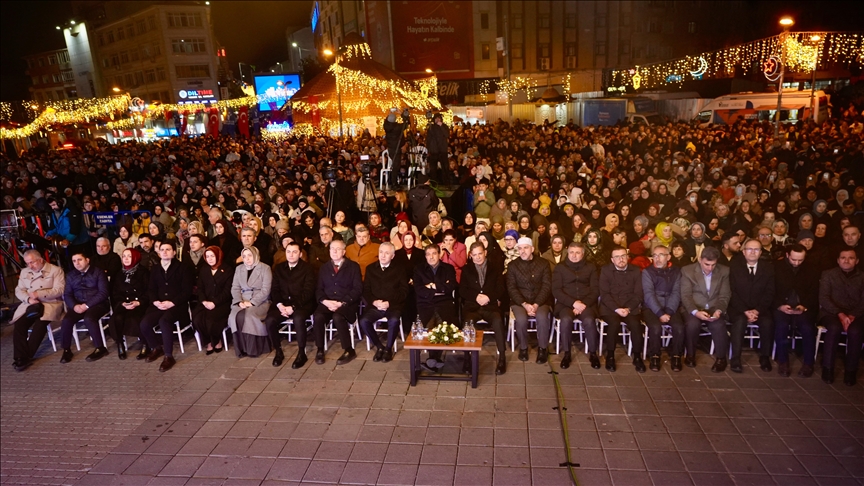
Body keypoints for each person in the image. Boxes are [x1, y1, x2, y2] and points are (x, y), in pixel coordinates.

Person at [139, 242, 194, 372]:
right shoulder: (155, 268)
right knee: (144, 324)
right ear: (158, 253)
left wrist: (172, 302)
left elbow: (187, 291)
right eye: (162, 250)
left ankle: (168, 356)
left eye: (168, 249)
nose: (164, 252)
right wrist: (155, 302)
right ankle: (156, 347)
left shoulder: (183, 268)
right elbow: (151, 289)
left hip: (177, 305)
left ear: (174, 252)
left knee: (164, 321)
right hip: (159, 304)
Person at [265, 242, 318, 368]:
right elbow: (275, 290)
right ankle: (278, 351)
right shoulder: (279, 268)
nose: (291, 254)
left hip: (302, 304)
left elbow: (308, 292)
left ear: (300, 254)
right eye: (288, 251)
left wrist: (293, 307)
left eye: (295, 252)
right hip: (283, 304)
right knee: (270, 320)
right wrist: (279, 305)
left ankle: (301, 353)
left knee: (298, 318)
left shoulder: (308, 269)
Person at [11, 250, 65, 371]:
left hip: (50, 303)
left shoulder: (55, 270)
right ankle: (20, 357)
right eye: (27, 263)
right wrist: (28, 299)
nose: (30, 266)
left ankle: (25, 356)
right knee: (19, 324)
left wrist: (38, 294)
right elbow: (19, 290)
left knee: (40, 324)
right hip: (30, 303)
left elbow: (59, 290)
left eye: (32, 262)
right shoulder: (25, 272)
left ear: (40, 260)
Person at [728, 238, 776, 373]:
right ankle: (735, 358)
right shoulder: (734, 267)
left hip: (760, 308)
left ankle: (765, 357)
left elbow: (770, 292)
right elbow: (731, 291)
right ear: (743, 252)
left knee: (767, 322)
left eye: (756, 249)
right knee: (739, 321)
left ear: (761, 252)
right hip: (738, 307)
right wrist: (744, 310)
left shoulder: (768, 268)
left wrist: (757, 310)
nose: (753, 252)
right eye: (749, 249)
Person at [680, 246, 731, 371]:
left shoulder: (724, 271)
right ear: (700, 260)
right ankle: (690, 355)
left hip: (714, 308)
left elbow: (725, 295)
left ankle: (721, 358)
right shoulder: (688, 271)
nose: (710, 268)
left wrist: (718, 310)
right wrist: (696, 312)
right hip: (694, 307)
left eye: (713, 265)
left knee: (719, 326)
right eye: (707, 264)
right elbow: (686, 295)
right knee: (692, 324)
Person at [460, 242, 508, 374]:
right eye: (474, 255)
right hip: (472, 307)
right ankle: (467, 359)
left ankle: (502, 358)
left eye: (480, 253)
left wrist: (488, 297)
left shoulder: (495, 268)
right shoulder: (467, 269)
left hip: (490, 306)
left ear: (485, 252)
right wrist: (476, 296)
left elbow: (500, 288)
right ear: (471, 255)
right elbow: (462, 290)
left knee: (498, 321)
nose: (478, 257)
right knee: (467, 323)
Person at [313, 239, 363, 365]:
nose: (334, 251)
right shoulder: (324, 268)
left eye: (338, 249)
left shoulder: (353, 267)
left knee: (338, 316)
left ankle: (348, 349)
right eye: (332, 249)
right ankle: (320, 349)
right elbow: (318, 289)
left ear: (344, 251)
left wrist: (342, 303)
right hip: (328, 302)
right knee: (318, 316)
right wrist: (325, 301)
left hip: (346, 304)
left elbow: (357, 289)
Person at [772, 244, 820, 377]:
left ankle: (808, 363)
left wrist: (804, 306)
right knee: (781, 326)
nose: (797, 263)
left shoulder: (811, 269)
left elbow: (814, 292)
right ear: (787, 255)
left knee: (808, 328)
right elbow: (770, 291)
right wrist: (780, 305)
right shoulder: (776, 267)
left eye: (800, 260)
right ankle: (783, 362)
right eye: (794, 260)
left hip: (802, 307)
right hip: (782, 306)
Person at [818, 249, 864, 386]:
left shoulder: (862, 277)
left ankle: (851, 370)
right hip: (831, 313)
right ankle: (828, 368)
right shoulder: (828, 275)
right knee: (834, 328)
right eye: (843, 257)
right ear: (838, 260)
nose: (846, 260)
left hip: (856, 313)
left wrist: (852, 315)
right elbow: (824, 298)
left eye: (850, 258)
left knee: (855, 331)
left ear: (856, 261)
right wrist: (841, 314)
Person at [552, 242, 600, 369]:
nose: (574, 255)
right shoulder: (560, 268)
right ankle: (567, 354)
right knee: (566, 320)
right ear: (567, 253)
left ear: (583, 254)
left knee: (589, 320)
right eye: (571, 252)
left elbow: (595, 290)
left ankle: (593, 353)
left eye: (577, 252)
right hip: (566, 304)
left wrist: (582, 305)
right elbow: (556, 290)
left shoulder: (591, 267)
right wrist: (574, 303)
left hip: (586, 304)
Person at [598, 245, 646, 372]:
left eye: (623, 256)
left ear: (627, 257)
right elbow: (604, 294)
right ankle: (610, 356)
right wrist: (616, 309)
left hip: (630, 306)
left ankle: (637, 356)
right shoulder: (605, 270)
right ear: (612, 260)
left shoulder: (636, 271)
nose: (621, 259)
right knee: (613, 324)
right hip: (611, 307)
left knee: (636, 325)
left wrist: (628, 308)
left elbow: (638, 294)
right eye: (617, 257)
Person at [359, 242, 409, 363]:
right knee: (364, 321)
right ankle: (379, 347)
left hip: (393, 305)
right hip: (375, 306)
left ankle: (388, 349)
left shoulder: (400, 269)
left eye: (387, 253)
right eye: (381, 252)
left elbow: (404, 292)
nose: (383, 255)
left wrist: (389, 303)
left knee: (394, 320)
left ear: (392, 256)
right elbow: (366, 290)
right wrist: (374, 302)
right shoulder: (371, 268)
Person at [642, 245, 689, 372]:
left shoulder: (676, 272)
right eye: (655, 255)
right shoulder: (647, 272)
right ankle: (655, 356)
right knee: (655, 327)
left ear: (668, 257)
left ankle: (676, 355)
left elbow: (676, 293)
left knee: (679, 327)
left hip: (671, 307)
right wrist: (659, 312)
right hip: (652, 308)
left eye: (661, 255)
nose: (657, 259)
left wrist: (668, 311)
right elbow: (648, 294)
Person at [58, 251, 110, 363]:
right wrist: (74, 305)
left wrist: (86, 305)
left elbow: (103, 293)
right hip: (78, 304)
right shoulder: (71, 275)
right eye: (74, 261)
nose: (77, 263)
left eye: (79, 260)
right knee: (66, 320)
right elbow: (67, 294)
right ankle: (66, 350)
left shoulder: (98, 272)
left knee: (89, 319)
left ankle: (100, 348)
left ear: (87, 260)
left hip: (97, 304)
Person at [507, 237, 552, 363]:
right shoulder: (513, 266)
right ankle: (523, 347)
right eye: (520, 248)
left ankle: (543, 349)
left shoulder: (543, 263)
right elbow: (512, 288)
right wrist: (525, 304)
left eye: (525, 248)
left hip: (540, 300)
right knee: (521, 319)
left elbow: (546, 286)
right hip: (520, 301)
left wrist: (536, 304)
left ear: (532, 249)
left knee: (542, 317)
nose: (523, 251)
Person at [414, 244, 458, 370]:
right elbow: (418, 289)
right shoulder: (419, 269)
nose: (431, 257)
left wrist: (432, 286)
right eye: (428, 254)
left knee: (442, 329)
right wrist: (440, 288)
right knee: (429, 328)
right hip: (425, 304)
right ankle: (434, 359)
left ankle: (432, 359)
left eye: (434, 253)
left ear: (439, 254)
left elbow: (451, 287)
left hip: (444, 303)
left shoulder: (448, 268)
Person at [228, 247, 272, 358]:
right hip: (242, 300)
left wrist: (252, 302)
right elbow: (235, 288)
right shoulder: (239, 269)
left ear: (255, 255)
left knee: (249, 315)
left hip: (260, 301)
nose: (247, 259)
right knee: (235, 316)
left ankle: (254, 349)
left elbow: (266, 290)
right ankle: (241, 348)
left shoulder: (265, 268)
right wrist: (239, 302)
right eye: (244, 256)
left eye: (250, 255)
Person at [109, 249, 150, 360]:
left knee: (137, 318)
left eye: (129, 256)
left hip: (140, 303)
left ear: (135, 258)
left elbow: (148, 291)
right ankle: (120, 344)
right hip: (124, 303)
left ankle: (145, 343)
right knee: (116, 318)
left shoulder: (143, 272)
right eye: (124, 256)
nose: (126, 259)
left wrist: (138, 302)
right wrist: (122, 303)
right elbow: (115, 292)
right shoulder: (119, 274)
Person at [192, 246, 233, 355]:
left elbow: (227, 291)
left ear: (218, 256)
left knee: (211, 319)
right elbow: (200, 288)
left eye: (212, 256)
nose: (210, 259)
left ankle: (216, 340)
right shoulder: (204, 270)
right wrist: (204, 301)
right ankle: (208, 342)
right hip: (205, 302)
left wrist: (214, 302)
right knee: (197, 319)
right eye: (207, 256)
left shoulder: (227, 269)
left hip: (221, 303)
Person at [425, 113, 449, 182]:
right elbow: (428, 139)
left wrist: (441, 126)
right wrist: (428, 149)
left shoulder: (444, 126)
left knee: (445, 167)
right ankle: (434, 182)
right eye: (436, 118)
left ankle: (446, 182)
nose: (437, 120)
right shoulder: (431, 127)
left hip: (442, 150)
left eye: (439, 118)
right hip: (434, 150)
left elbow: (447, 134)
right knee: (433, 169)